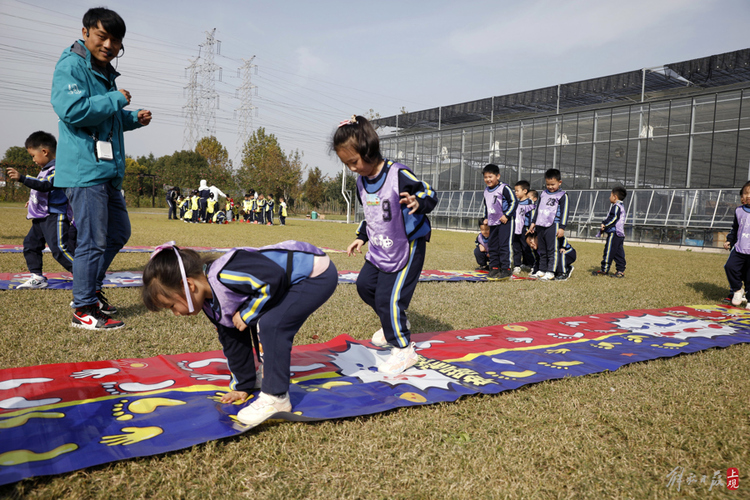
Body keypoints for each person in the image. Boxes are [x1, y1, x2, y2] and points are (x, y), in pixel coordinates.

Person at [141, 241, 337, 427]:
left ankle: (276, 397)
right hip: (284, 283)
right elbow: (232, 339)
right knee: (250, 321)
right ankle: (258, 378)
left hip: (314, 274)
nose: (176, 313)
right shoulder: (211, 304)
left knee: (271, 324)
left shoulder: (226, 274)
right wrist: (243, 385)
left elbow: (273, 278)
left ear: (190, 286)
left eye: (172, 306)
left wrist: (246, 314)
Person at [51, 7, 151, 329]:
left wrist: (133, 117)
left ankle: (89, 288)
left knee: (119, 232)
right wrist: (116, 100)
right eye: (102, 36)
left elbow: (107, 117)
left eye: (116, 40)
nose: (109, 44)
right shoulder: (70, 66)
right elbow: (74, 110)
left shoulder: (105, 73)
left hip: (106, 170)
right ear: (85, 33)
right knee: (92, 240)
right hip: (85, 169)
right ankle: (83, 308)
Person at [335, 115, 437, 375]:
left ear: (369, 149)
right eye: (346, 164)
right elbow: (371, 214)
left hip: (407, 247)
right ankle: (393, 320)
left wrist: (417, 202)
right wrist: (361, 236)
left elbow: (429, 192)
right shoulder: (361, 182)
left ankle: (403, 350)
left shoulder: (397, 173)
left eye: (354, 162)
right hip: (379, 247)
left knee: (388, 297)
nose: (352, 169)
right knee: (365, 286)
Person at [6, 131, 76, 288]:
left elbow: (46, 185)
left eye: (33, 155)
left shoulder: (58, 169)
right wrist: (31, 202)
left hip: (54, 216)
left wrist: (23, 178)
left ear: (45, 152)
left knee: (59, 249)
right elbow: (41, 192)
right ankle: (37, 277)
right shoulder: (45, 170)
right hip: (41, 216)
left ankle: (84, 276)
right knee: (31, 244)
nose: (33, 160)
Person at [528, 169, 569, 281]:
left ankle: (551, 271)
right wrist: (533, 222)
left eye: (553, 184)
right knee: (542, 249)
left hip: (553, 225)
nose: (550, 187)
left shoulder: (562, 195)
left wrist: (562, 227)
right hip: (540, 225)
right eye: (548, 184)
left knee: (552, 250)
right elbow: (538, 209)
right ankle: (542, 270)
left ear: (559, 182)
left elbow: (565, 212)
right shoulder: (543, 194)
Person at [479, 164, 517, 280]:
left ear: (498, 176)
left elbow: (514, 202)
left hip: (505, 222)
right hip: (492, 222)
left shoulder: (504, 188)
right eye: (486, 177)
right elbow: (487, 205)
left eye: (490, 176)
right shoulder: (486, 191)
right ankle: (494, 267)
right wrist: (486, 217)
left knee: (504, 245)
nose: (488, 179)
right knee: (492, 245)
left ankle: (506, 269)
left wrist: (507, 215)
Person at [724, 181, 750, 307]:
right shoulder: (739, 211)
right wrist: (729, 240)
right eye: (746, 193)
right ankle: (737, 290)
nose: (748, 195)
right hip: (739, 249)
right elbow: (734, 228)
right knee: (730, 267)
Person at [593, 186, 627, 278]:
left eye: (610, 195)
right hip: (620, 234)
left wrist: (604, 224)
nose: (609, 197)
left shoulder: (616, 207)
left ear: (615, 197)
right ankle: (620, 271)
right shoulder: (621, 206)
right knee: (618, 253)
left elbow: (613, 218)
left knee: (609, 251)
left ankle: (604, 270)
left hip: (614, 233)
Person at [512, 180, 534, 274]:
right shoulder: (515, 202)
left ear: (525, 191)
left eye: (517, 190)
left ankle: (532, 265)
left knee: (526, 248)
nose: (515, 192)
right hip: (515, 229)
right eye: (515, 191)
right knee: (516, 247)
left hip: (524, 229)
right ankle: (517, 266)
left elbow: (533, 215)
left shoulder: (530, 202)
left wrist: (531, 228)